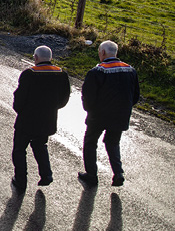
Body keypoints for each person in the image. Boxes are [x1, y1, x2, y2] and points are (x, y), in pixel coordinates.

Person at [79, 40, 140, 187]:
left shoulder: (97, 71)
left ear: (103, 53)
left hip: (98, 115)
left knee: (90, 142)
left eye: (99, 52)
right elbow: (135, 95)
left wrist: (89, 110)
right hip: (120, 115)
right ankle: (118, 172)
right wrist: (125, 108)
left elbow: (88, 95)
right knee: (113, 142)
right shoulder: (130, 70)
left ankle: (91, 175)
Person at [10, 45, 71, 193]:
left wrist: (20, 110)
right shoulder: (62, 74)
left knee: (19, 150)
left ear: (36, 58)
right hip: (48, 119)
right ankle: (46, 174)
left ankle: (21, 181)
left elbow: (19, 99)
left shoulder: (29, 74)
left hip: (27, 120)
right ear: (50, 58)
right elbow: (64, 98)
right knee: (40, 145)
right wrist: (51, 109)